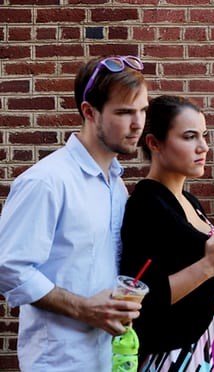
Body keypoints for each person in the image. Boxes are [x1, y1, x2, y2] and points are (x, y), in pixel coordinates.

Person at [0, 55, 148, 371]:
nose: (138, 123)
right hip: (59, 362)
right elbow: (8, 267)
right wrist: (82, 308)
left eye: (142, 111)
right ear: (89, 112)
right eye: (124, 112)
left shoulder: (117, 185)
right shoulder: (46, 181)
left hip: (110, 358)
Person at [119, 95, 214, 371]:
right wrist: (209, 265)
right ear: (154, 143)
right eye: (189, 137)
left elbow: (208, 286)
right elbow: (145, 299)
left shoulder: (190, 201)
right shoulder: (145, 205)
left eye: (204, 136)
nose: (203, 147)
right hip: (174, 354)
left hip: (208, 343)